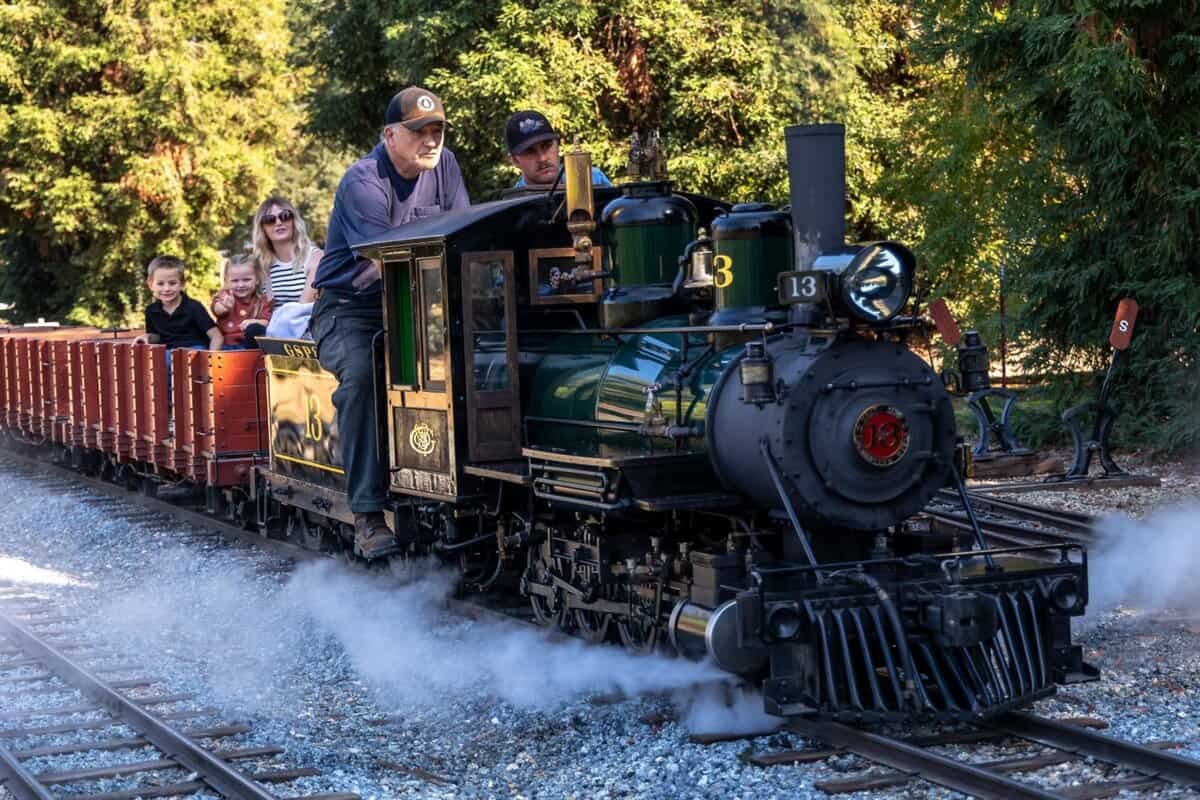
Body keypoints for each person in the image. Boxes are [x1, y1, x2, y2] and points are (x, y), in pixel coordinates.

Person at [311, 85, 470, 559]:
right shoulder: (363, 180)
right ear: (390, 135)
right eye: (419, 132)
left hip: (424, 302)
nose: (431, 140)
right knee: (361, 376)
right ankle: (366, 512)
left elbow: (462, 236)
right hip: (351, 307)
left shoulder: (445, 165)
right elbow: (391, 262)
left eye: (437, 130)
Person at [135, 255, 223, 352]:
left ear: (182, 284)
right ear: (150, 285)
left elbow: (217, 337)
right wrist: (147, 337)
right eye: (160, 284)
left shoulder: (194, 307)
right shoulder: (151, 310)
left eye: (172, 283)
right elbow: (157, 337)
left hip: (194, 351)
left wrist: (210, 360)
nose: (166, 289)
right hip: (167, 351)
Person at [505, 110, 612, 188]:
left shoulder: (592, 179)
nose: (542, 158)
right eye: (530, 151)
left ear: (558, 144)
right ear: (514, 160)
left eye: (546, 146)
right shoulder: (514, 207)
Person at [252, 196, 323, 305]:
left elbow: (304, 307)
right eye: (270, 220)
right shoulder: (259, 265)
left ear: (294, 221)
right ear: (262, 228)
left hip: (306, 320)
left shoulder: (314, 257)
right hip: (269, 322)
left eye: (285, 216)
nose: (278, 222)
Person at [212, 254, 274, 349]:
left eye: (246, 280)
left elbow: (267, 322)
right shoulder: (225, 296)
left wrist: (254, 322)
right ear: (227, 281)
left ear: (257, 279)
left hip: (250, 346)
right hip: (226, 345)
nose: (240, 285)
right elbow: (217, 309)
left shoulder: (262, 300)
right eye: (235, 281)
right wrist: (225, 307)